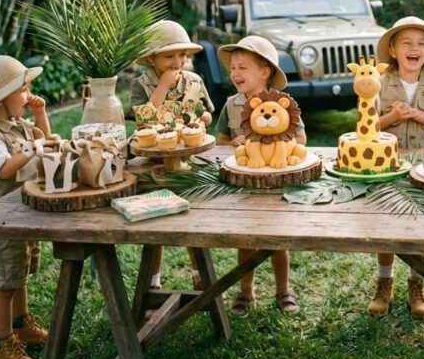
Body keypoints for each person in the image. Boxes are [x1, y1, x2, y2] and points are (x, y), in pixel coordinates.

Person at [215, 36, 305, 316]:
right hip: (244, 185)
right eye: (232, 68)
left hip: (276, 184)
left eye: (243, 68)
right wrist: (234, 143)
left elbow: (300, 138)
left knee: (277, 241)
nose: (235, 74)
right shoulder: (231, 105)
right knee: (245, 240)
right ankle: (246, 292)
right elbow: (220, 140)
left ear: (265, 72)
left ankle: (283, 290)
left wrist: (280, 142)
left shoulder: (283, 103)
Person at [368, 16, 424, 319]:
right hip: (387, 163)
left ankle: (417, 284)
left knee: (419, 224)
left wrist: (417, 115)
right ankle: (384, 282)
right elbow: (367, 126)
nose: (414, 49)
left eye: (421, 44)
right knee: (386, 225)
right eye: (406, 43)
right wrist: (390, 118)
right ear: (392, 50)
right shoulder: (378, 83)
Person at [130, 19, 215, 291]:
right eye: (169, 55)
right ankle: (152, 283)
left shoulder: (194, 81)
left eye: (182, 55)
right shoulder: (141, 84)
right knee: (156, 223)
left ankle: (200, 276)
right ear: (152, 58)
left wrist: (201, 116)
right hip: (154, 162)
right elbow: (143, 123)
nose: (177, 61)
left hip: (188, 160)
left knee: (192, 221)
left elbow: (208, 115)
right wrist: (163, 87)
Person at [0, 56, 53, 359]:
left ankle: (21, 324)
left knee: (20, 273)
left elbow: (43, 138)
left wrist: (39, 115)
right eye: (23, 89)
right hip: (0, 221)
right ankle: (3, 347)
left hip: (21, 215)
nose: (28, 94)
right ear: (0, 99)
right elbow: (2, 170)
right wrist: (30, 150)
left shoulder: (17, 123)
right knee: (5, 285)